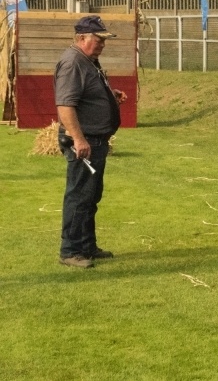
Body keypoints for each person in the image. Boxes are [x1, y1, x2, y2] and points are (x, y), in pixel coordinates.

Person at [54, 15, 127, 268]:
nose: (103, 44)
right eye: (99, 39)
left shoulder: (88, 61)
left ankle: (86, 246)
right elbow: (65, 105)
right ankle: (71, 251)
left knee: (91, 196)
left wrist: (109, 95)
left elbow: (84, 94)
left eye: (104, 40)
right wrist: (78, 138)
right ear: (82, 38)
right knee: (79, 196)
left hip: (95, 140)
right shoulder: (73, 62)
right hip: (84, 142)